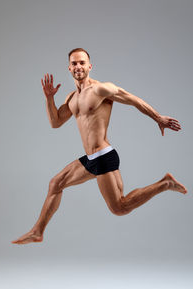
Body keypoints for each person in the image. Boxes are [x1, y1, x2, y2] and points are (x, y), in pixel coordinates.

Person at [12, 48, 187, 244]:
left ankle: (165, 184)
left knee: (119, 208)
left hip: (103, 155)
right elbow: (55, 122)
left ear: (89, 66)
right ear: (69, 68)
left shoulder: (101, 89)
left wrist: (158, 118)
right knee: (55, 184)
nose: (78, 66)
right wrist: (49, 98)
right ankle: (37, 231)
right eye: (74, 63)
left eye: (82, 63)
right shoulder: (72, 98)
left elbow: (132, 99)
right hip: (90, 159)